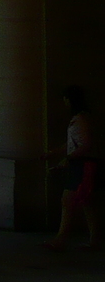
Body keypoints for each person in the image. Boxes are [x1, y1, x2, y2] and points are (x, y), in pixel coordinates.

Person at [45, 84, 97, 251]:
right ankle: (94, 238)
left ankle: (61, 238)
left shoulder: (80, 119)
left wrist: (67, 158)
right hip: (82, 163)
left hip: (80, 164)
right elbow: (74, 143)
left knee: (69, 200)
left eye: (66, 99)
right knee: (85, 201)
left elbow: (84, 145)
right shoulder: (82, 118)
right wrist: (54, 153)